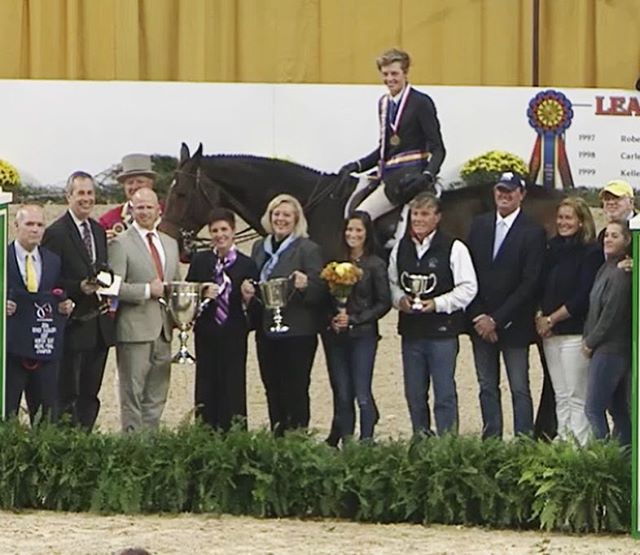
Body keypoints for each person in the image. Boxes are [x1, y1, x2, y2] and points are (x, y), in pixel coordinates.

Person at [389, 193, 477, 436]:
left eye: (425, 214)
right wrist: (400, 300)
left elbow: (468, 288)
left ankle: (447, 444)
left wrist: (437, 303)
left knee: (444, 392)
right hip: (411, 331)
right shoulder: (400, 248)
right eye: (415, 214)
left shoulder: (454, 247)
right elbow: (392, 283)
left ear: (437, 218)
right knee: (414, 393)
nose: (418, 219)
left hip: (442, 332)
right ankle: (421, 440)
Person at [466, 171, 546, 439]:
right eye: (501, 189)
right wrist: (478, 315)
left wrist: (497, 319)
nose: (504, 195)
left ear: (521, 194)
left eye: (511, 191)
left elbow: (529, 283)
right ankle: (492, 438)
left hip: (514, 323)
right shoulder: (479, 225)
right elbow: (468, 275)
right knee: (487, 385)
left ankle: (524, 441)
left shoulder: (533, 232)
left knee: (519, 387)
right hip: (480, 323)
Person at [246, 194, 324, 436]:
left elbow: (321, 290)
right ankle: (277, 437)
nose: (281, 219)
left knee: (296, 388)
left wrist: (306, 285)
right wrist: (248, 289)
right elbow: (254, 277)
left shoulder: (308, 248)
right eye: (276, 214)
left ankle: (298, 440)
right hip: (267, 329)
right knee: (272, 387)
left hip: (298, 331)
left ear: (296, 219)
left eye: (286, 215)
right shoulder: (259, 247)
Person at [42, 171, 115, 430]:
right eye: (81, 193)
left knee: (90, 395)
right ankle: (67, 450)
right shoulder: (56, 233)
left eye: (90, 193)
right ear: (68, 196)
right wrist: (78, 288)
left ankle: (86, 445)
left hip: (98, 328)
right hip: (72, 327)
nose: (86, 198)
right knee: (67, 396)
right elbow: (49, 279)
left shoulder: (98, 230)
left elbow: (102, 267)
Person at [340, 48, 446, 220]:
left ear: (405, 73)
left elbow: (438, 148)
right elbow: (384, 150)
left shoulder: (421, 102)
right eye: (385, 74)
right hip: (386, 174)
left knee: (359, 218)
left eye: (394, 73)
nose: (389, 79)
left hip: (410, 177)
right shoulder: (383, 104)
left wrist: (427, 175)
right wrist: (356, 165)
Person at [108, 188, 181, 432]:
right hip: (134, 331)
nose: (145, 212)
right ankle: (132, 452)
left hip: (164, 330)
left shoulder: (170, 244)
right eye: (139, 207)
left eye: (149, 207)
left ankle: (151, 450)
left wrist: (182, 314)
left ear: (159, 209)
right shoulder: (120, 244)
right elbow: (114, 288)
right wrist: (147, 291)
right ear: (131, 209)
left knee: (157, 397)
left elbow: (176, 285)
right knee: (133, 397)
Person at [535, 198, 603, 446]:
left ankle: (580, 445)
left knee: (577, 395)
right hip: (551, 333)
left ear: (581, 221)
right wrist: (541, 317)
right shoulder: (552, 248)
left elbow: (582, 296)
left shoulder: (591, 251)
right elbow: (541, 286)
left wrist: (552, 318)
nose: (563, 223)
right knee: (560, 393)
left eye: (569, 218)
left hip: (574, 332)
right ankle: (563, 441)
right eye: (561, 217)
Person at [186, 208, 259, 431]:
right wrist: (201, 291)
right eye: (215, 230)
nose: (220, 235)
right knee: (206, 386)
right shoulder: (201, 261)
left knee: (233, 386)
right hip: (207, 333)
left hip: (234, 333)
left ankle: (235, 436)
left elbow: (256, 308)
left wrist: (248, 298)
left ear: (233, 231)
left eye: (224, 229)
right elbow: (188, 294)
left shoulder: (247, 264)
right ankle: (204, 435)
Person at [321, 212, 391, 445]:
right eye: (350, 230)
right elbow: (326, 298)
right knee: (342, 392)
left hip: (363, 335)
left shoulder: (375, 264)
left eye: (358, 230)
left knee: (362, 390)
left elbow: (383, 302)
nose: (353, 234)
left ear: (367, 234)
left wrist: (355, 319)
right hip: (337, 336)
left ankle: (367, 439)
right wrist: (332, 318)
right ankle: (348, 440)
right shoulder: (334, 263)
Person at [5, 205, 73, 422]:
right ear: (16, 226)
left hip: (43, 348)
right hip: (9, 350)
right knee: (7, 413)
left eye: (40, 225)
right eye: (29, 224)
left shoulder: (53, 261)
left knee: (46, 414)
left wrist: (65, 306)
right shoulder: (2, 257)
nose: (35, 230)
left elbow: (59, 293)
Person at [583, 220, 632, 446]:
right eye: (607, 235)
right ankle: (624, 453)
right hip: (605, 348)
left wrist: (590, 341)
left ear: (627, 241)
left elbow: (611, 314)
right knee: (618, 409)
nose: (608, 239)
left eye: (615, 236)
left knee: (593, 408)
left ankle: (602, 458)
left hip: (610, 349)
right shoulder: (607, 267)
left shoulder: (622, 274)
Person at [99, 154, 157, 240]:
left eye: (140, 181)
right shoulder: (108, 221)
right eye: (130, 182)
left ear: (151, 184)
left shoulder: (168, 215)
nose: (134, 186)